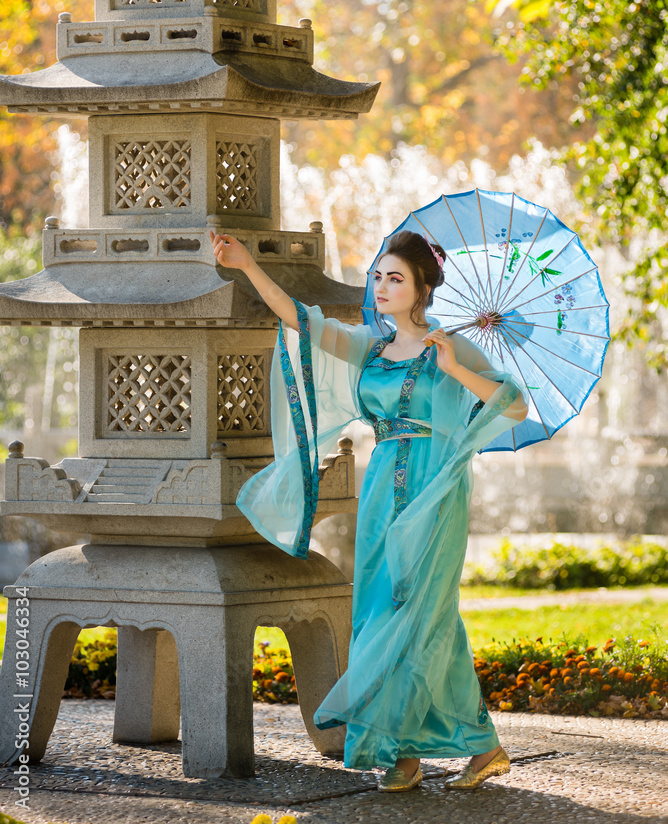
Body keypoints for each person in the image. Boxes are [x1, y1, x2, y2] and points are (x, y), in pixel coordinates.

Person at [210, 227, 528, 793]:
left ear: (422, 287)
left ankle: (459, 746)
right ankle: (411, 754)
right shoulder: (370, 347)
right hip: (383, 484)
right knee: (385, 607)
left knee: (423, 608)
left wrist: (455, 369)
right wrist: (246, 265)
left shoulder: (450, 346)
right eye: (377, 277)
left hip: (435, 489)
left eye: (396, 278)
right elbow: (299, 320)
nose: (382, 287)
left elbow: (514, 405)